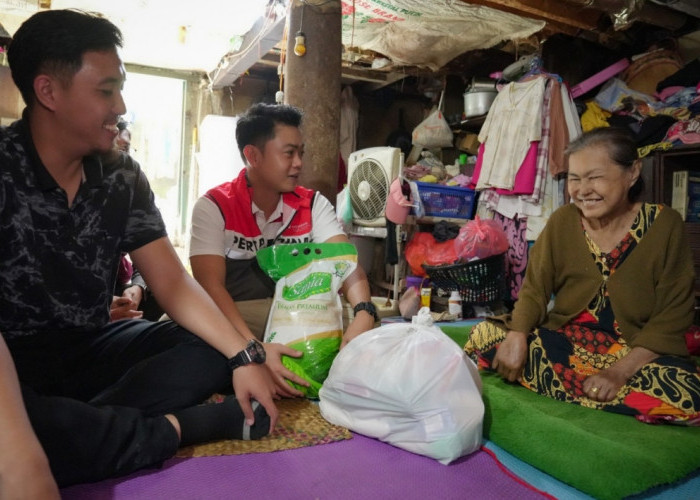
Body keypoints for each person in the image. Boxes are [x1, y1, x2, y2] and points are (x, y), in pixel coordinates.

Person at [0, 9, 279, 494]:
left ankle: (84, 429)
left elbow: (171, 283)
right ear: (48, 92)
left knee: (210, 348)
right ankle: (177, 428)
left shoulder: (121, 177)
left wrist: (244, 354)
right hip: (11, 367)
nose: (121, 105)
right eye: (105, 91)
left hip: (91, 353)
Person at [465, 126, 700, 424]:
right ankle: (617, 398)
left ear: (632, 173)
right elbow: (535, 290)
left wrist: (619, 372)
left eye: (595, 177)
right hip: (568, 342)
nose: (582, 189)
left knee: (688, 391)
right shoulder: (563, 220)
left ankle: (580, 386)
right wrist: (517, 334)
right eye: (574, 179)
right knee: (485, 335)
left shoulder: (665, 224)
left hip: (635, 350)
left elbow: (674, 312)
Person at [189, 103, 376, 398]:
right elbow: (210, 288)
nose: (299, 163)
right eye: (289, 153)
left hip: (301, 312)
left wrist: (365, 313)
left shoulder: (313, 204)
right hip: (240, 317)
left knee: (379, 336)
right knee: (183, 331)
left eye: (301, 152)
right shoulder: (214, 206)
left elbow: (346, 263)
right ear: (252, 155)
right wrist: (253, 348)